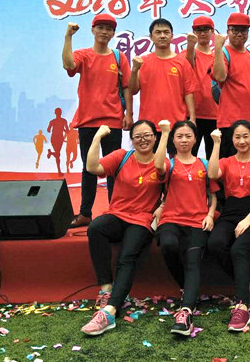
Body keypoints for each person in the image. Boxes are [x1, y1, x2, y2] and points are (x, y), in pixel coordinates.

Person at [80, 120, 168, 336]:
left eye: (147, 135)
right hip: (117, 215)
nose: (143, 140)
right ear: (132, 139)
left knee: (126, 257)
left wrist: (162, 206)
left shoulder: (161, 161)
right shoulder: (122, 156)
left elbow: (172, 187)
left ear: (154, 137)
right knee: (95, 228)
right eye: (138, 136)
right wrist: (97, 137)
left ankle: (110, 311)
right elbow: (92, 167)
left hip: (142, 221)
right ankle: (106, 289)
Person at [62, 14, 133, 228]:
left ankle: (116, 211)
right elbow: (68, 64)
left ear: (113, 33)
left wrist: (129, 114)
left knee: (113, 168)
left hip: (112, 120)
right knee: (88, 168)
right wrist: (68, 36)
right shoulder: (84, 55)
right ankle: (85, 213)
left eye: (109, 29)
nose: (104, 32)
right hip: (88, 120)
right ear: (93, 30)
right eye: (100, 28)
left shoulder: (119, 58)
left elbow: (127, 87)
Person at [154, 119, 218, 336]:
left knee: (193, 260)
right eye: (179, 136)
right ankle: (188, 287)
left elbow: (213, 194)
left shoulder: (204, 164)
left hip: (198, 221)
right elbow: (157, 166)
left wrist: (210, 214)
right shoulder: (169, 164)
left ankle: (186, 312)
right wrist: (163, 134)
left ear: (195, 139)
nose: (184, 140)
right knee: (168, 246)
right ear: (173, 140)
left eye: (188, 136)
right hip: (171, 219)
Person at [207, 120, 250, 331]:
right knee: (215, 243)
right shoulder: (226, 161)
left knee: (238, 249)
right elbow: (212, 174)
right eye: (237, 137)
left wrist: (248, 220)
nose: (242, 141)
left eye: (246, 136)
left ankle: (242, 306)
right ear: (231, 139)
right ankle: (248, 287)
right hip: (230, 212)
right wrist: (216, 144)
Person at [129, 18, 197, 156]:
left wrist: (192, 118)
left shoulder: (182, 63)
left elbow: (188, 92)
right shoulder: (143, 62)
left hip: (176, 123)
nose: (162, 36)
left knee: (176, 161)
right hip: (149, 125)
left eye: (166, 32)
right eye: (158, 32)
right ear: (151, 36)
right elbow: (133, 90)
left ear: (172, 36)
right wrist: (134, 70)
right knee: (150, 162)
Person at [212, 13, 250, 158]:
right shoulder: (223, 53)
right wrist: (218, 48)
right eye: (235, 30)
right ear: (228, 31)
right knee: (230, 165)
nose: (239, 34)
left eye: (243, 30)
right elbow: (220, 76)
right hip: (232, 122)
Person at [183, 16, 218, 158]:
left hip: (215, 115)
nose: (202, 33)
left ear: (212, 31)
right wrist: (190, 46)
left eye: (206, 30)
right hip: (192, 115)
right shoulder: (188, 53)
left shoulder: (219, 56)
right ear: (194, 32)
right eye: (198, 30)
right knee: (188, 156)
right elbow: (187, 68)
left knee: (214, 157)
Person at [47, 107, 69, 175]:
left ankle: (51, 153)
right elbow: (67, 131)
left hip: (56, 138)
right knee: (58, 154)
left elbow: (48, 130)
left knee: (57, 154)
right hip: (58, 138)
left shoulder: (53, 121)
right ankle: (59, 171)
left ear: (55, 113)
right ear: (60, 113)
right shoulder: (63, 121)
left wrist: (55, 127)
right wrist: (62, 129)